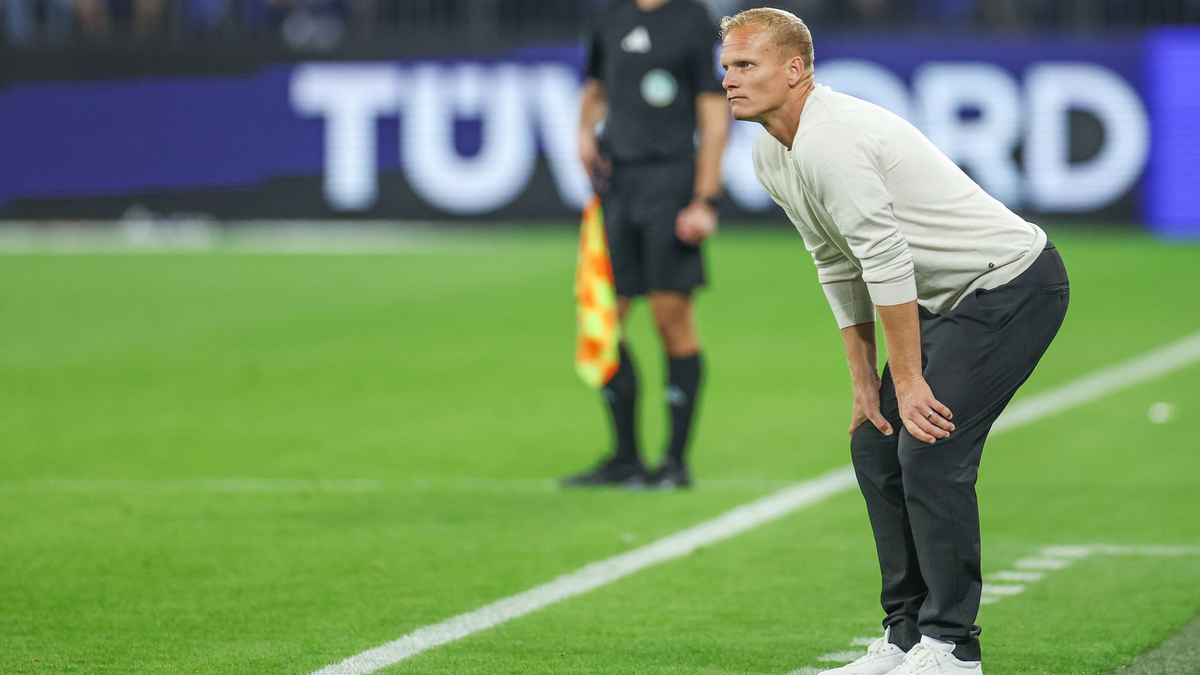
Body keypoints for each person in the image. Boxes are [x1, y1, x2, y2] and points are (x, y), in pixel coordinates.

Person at [719, 7, 1068, 674]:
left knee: (929, 446)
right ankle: (905, 632)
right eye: (727, 67)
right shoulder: (772, 151)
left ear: (795, 70)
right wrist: (865, 384)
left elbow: (886, 262)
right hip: (946, 300)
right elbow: (835, 261)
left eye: (745, 65)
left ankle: (953, 646)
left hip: (1012, 287)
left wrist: (906, 381)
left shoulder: (832, 140)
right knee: (875, 441)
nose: (730, 80)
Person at [562, 0, 729, 489]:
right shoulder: (609, 17)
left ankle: (674, 462)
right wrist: (583, 133)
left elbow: (712, 110)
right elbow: (596, 89)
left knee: (670, 317)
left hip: (671, 182)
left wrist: (705, 198)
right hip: (617, 186)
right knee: (603, 318)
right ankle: (626, 457)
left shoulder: (692, 18)